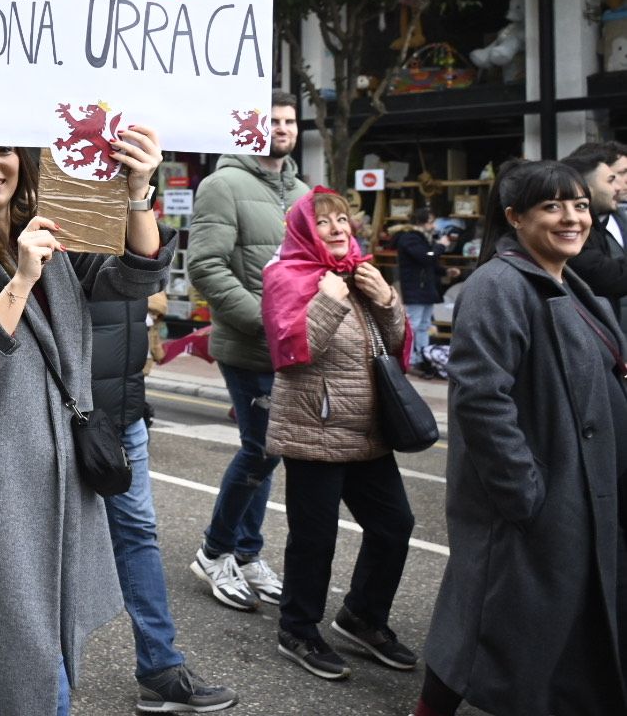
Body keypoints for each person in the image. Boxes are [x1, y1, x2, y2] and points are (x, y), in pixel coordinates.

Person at [0, 133, 182, 715]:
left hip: (57, 470)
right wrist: (22, 277)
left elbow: (136, 277)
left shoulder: (51, 222)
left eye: (4, 151)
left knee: (43, 637)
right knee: (14, 649)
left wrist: (135, 193)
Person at [416, 159, 627, 716]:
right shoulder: (496, 286)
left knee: (548, 631)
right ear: (515, 217)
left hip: (584, 491)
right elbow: (481, 398)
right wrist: (525, 494)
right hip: (540, 497)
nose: (572, 218)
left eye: (579, 205)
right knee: (492, 630)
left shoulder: (571, 280)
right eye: (552, 206)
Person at [262, 189, 418, 680]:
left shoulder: (359, 271)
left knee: (395, 524)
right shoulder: (286, 276)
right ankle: (298, 629)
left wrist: (387, 301)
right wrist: (326, 303)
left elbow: (395, 348)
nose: (337, 229)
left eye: (342, 220)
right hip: (315, 428)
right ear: (304, 229)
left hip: (368, 430)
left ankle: (362, 617)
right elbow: (291, 351)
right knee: (315, 538)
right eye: (323, 221)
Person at [187, 89, 310, 611]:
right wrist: (267, 322)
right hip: (250, 344)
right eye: (272, 121)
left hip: (297, 349)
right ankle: (216, 551)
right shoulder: (223, 184)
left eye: (289, 121)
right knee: (260, 448)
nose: (282, 128)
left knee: (271, 451)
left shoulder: (304, 192)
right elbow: (206, 266)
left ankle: (246, 550)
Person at [89, 297, 239, 712]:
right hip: (66, 412)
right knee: (47, 542)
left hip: (124, 410)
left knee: (138, 535)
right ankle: (37, 672)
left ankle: (160, 670)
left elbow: (148, 282)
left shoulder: (131, 234)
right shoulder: (69, 233)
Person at [562, 142, 627, 327]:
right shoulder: (571, 235)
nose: (618, 187)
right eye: (611, 179)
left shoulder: (610, 220)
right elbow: (607, 276)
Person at [393, 207, 457, 365]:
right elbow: (426, 258)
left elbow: (429, 264)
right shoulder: (410, 239)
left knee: (424, 325)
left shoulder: (421, 239)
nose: (434, 226)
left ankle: (424, 356)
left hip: (425, 289)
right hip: (416, 289)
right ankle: (409, 357)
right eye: (430, 222)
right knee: (413, 325)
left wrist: (445, 272)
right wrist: (441, 246)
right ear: (419, 223)